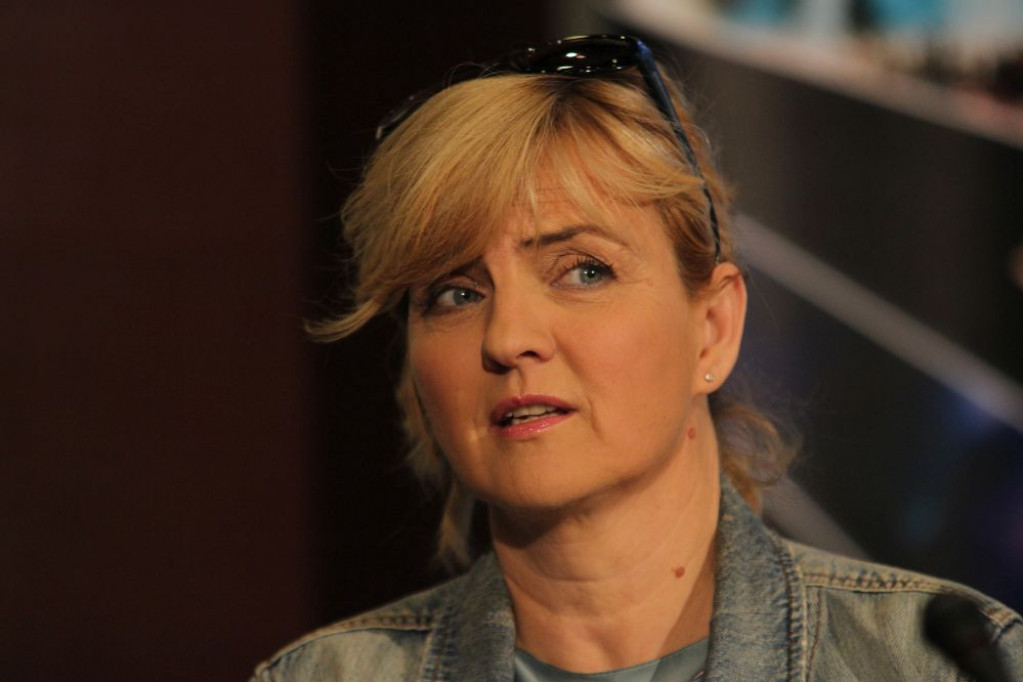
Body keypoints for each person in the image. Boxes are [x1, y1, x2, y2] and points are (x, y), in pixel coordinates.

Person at [253, 35, 1022, 681]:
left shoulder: (942, 664)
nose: (507, 337)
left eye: (582, 271)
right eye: (454, 294)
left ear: (712, 327)